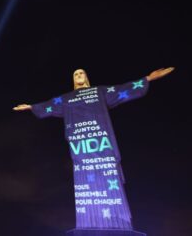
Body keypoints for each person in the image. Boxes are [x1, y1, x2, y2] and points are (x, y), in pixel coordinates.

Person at [13, 67, 174, 229]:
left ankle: (118, 224)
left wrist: (147, 79)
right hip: (81, 149)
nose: (79, 75)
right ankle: (89, 224)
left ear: (86, 76)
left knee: (111, 180)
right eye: (75, 74)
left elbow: (121, 89)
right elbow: (49, 104)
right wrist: (31, 107)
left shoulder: (99, 91)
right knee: (84, 184)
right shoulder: (67, 99)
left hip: (102, 145)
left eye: (81, 73)